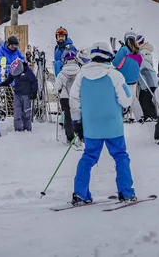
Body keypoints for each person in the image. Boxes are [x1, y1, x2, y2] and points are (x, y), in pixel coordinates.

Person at [69, 41, 136, 205]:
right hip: (113, 125)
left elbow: (73, 100)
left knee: (88, 157)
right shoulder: (115, 75)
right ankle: (126, 192)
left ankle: (80, 193)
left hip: (91, 126)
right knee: (120, 156)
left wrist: (77, 121)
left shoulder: (81, 75)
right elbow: (127, 100)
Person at [0, 59, 38, 131]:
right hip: (17, 94)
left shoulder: (28, 72)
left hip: (26, 95)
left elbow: (34, 82)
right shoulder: (13, 70)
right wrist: (3, 83)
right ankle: (18, 130)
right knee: (17, 113)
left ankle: (27, 129)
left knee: (26, 113)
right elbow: (10, 79)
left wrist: (34, 92)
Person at [112, 31, 143, 120]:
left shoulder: (124, 50)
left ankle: (121, 115)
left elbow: (115, 63)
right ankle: (140, 116)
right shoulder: (138, 52)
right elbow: (138, 65)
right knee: (132, 98)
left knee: (118, 96)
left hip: (123, 78)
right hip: (133, 80)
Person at [55, 48, 82, 144]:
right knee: (78, 115)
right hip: (77, 97)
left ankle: (70, 137)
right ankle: (80, 135)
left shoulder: (61, 73)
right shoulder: (80, 71)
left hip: (65, 98)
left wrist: (59, 91)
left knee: (67, 116)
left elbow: (57, 86)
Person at [136, 35, 159, 122]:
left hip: (147, 79)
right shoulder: (146, 51)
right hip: (148, 78)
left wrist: (136, 67)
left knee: (145, 98)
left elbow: (143, 64)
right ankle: (150, 115)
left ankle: (150, 115)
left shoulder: (143, 52)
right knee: (146, 97)